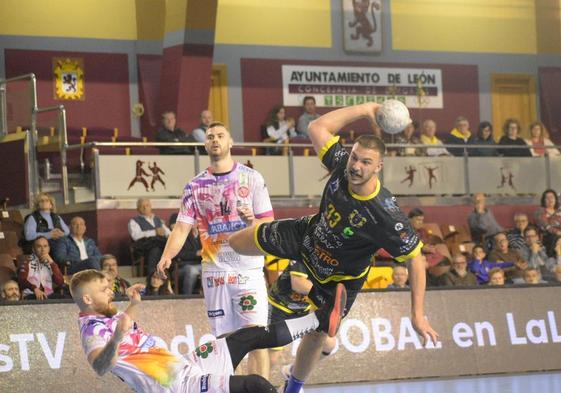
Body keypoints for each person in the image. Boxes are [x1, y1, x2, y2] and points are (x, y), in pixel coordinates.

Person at [228, 102, 439, 393]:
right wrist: (366, 109)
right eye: (354, 157)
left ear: (379, 166)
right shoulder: (342, 165)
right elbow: (317, 127)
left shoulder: (385, 215)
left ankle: (293, 387)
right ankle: (292, 307)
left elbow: (416, 260)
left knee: (320, 334)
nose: (356, 166)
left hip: (342, 276)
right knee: (235, 243)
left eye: (366, 162)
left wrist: (417, 314)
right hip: (308, 237)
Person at [70, 269, 346, 393]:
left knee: (246, 336)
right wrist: (117, 337)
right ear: (87, 300)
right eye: (104, 290)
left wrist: (133, 305)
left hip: (186, 366)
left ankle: (320, 319)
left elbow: (124, 325)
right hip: (177, 387)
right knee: (256, 385)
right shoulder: (91, 330)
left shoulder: (106, 312)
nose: (110, 292)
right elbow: (100, 366)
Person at [157, 121, 275, 378]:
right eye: (210, 136)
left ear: (230, 142)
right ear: (204, 144)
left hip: (248, 270)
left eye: (221, 135)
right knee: (225, 342)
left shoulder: (251, 178)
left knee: (257, 337)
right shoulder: (194, 186)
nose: (215, 140)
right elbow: (181, 228)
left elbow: (268, 224)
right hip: (216, 272)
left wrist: (251, 221)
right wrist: (167, 256)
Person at [267, 260, 337, 381]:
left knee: (329, 344)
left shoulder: (337, 264)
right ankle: (253, 386)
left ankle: (293, 371)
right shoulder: (305, 254)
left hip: (303, 310)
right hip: (279, 307)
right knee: (273, 356)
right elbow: (298, 283)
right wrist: (325, 295)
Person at [128, 198, 171, 275]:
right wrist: (154, 232)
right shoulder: (134, 221)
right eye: (142, 206)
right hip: (144, 248)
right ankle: (152, 275)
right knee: (156, 249)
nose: (145, 208)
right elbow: (136, 236)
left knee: (168, 248)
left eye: (147, 205)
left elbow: (168, 233)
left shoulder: (158, 219)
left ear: (151, 206)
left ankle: (169, 276)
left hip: (160, 245)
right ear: (138, 209)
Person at [169, 213, 202, 295]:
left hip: (200, 264)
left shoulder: (203, 235)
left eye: (196, 220)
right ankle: (187, 296)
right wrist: (196, 253)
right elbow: (178, 254)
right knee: (192, 270)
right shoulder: (180, 235)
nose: (194, 222)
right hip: (181, 267)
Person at [534, 189, 561, 253]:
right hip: (547, 237)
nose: (550, 199)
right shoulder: (540, 211)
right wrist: (557, 232)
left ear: (555, 199)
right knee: (556, 238)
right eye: (547, 198)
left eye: (552, 197)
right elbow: (545, 226)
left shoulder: (559, 211)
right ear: (544, 200)